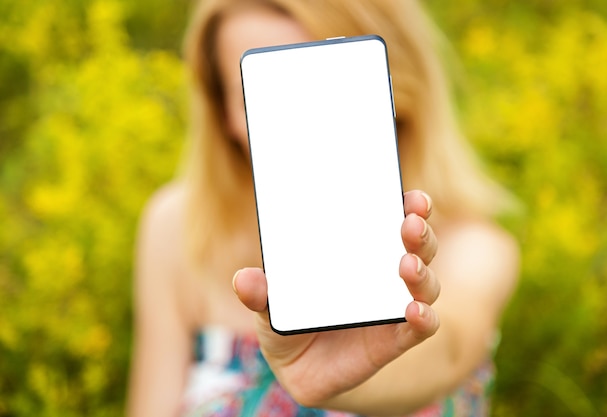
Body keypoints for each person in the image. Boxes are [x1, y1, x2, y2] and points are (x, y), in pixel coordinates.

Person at [126, 0, 520, 416]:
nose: (295, 123)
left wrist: (345, 377)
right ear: (225, 112)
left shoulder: (475, 248)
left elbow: (450, 350)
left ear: (395, 88)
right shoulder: (180, 228)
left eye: (319, 86)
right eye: (262, 95)